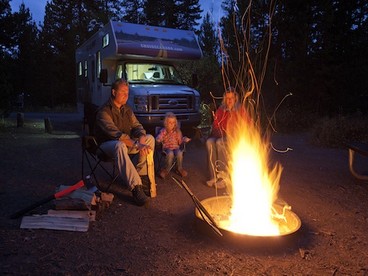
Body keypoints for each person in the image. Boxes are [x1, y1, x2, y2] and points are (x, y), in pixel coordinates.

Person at [94, 78, 155, 206]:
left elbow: (138, 126)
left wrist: (142, 140)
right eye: (122, 92)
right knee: (119, 144)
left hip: (126, 144)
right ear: (114, 92)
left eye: (127, 93)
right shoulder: (104, 111)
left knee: (150, 138)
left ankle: (142, 177)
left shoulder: (127, 109)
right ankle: (136, 187)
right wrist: (137, 144)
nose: (126, 95)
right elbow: (116, 135)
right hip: (106, 146)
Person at [205, 87, 247, 189]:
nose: (229, 100)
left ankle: (224, 178)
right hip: (222, 136)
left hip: (235, 138)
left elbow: (246, 125)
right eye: (227, 98)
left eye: (231, 98)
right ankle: (214, 176)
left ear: (235, 98)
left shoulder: (240, 110)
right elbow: (215, 125)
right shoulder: (221, 110)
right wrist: (218, 132)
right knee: (209, 142)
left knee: (220, 142)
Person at [156, 112, 191, 179]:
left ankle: (179, 168)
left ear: (175, 123)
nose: (172, 124)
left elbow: (180, 140)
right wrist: (158, 139)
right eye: (170, 122)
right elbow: (160, 137)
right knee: (170, 153)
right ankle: (166, 170)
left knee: (179, 153)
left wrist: (185, 139)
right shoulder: (164, 131)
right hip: (167, 148)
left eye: (173, 123)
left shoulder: (177, 131)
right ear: (166, 123)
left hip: (176, 147)